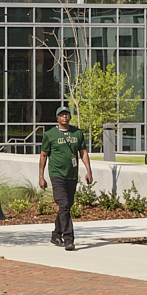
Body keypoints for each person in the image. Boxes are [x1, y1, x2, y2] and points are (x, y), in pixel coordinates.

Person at [37, 105, 93, 249]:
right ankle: (68, 238)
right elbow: (43, 156)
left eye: (66, 114)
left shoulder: (77, 133)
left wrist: (89, 171)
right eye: (61, 115)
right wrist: (41, 176)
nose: (64, 117)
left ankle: (56, 235)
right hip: (57, 174)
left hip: (72, 175)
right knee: (64, 204)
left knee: (66, 206)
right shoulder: (50, 134)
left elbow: (83, 153)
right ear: (57, 118)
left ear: (70, 117)